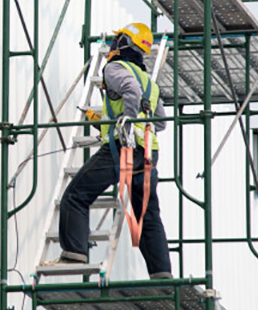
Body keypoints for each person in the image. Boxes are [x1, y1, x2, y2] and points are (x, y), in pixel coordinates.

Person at [57, 22, 172, 279]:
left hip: (124, 149)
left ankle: (74, 252)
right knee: (147, 215)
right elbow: (161, 122)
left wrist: (128, 127)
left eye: (117, 39)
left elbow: (129, 92)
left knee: (75, 195)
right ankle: (161, 272)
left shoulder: (114, 68)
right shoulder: (149, 84)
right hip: (148, 154)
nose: (112, 44)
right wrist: (114, 121)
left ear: (124, 44)